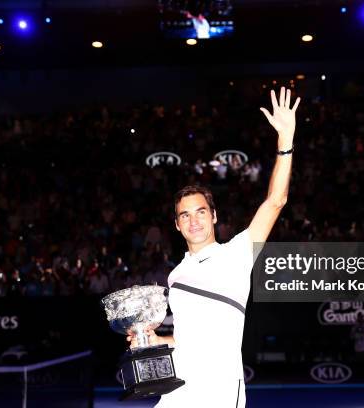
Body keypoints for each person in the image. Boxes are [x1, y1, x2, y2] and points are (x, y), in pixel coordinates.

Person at [127, 87, 299, 407]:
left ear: (214, 216)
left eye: (201, 212)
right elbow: (187, 340)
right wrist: (156, 340)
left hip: (219, 392)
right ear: (176, 225)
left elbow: (276, 201)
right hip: (178, 391)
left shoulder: (237, 253)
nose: (194, 221)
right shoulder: (176, 275)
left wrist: (285, 141)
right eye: (185, 215)